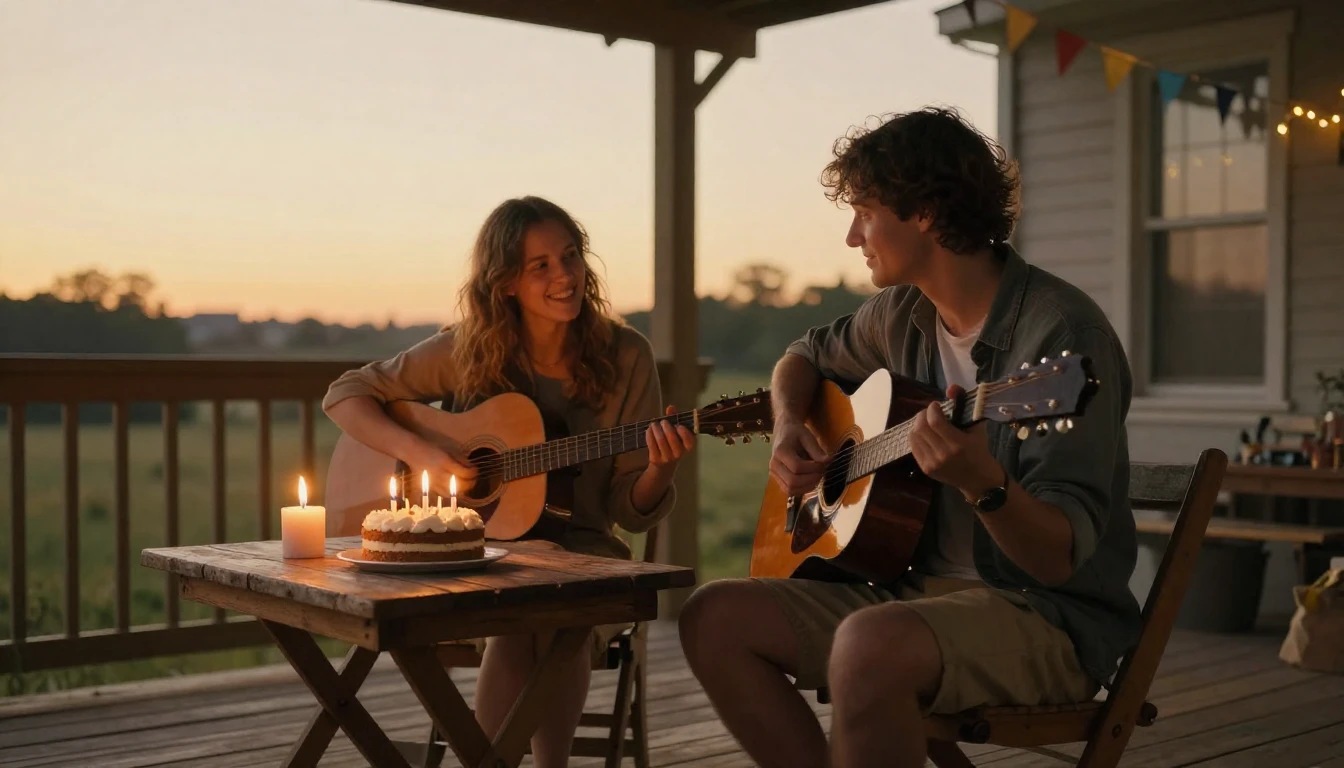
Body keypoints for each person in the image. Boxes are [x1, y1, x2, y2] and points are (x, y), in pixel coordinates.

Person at [678, 107, 1142, 768]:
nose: (850, 236)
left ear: (923, 211)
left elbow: (1057, 561)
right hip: (905, 595)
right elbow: (802, 356)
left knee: (869, 644)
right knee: (713, 617)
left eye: (864, 212)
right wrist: (787, 429)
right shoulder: (902, 315)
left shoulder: (1062, 340)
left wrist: (983, 482)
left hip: (1045, 617)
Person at [322, 195, 695, 767]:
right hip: (475, 557)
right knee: (517, 619)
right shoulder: (470, 349)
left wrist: (661, 467)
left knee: (554, 613)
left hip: (585, 559)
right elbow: (345, 394)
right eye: (540, 265)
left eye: (570, 256)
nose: (565, 276)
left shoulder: (626, 356)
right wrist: (425, 453)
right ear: (504, 283)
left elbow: (627, 507)